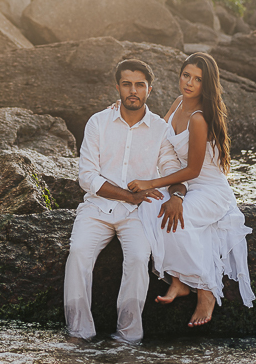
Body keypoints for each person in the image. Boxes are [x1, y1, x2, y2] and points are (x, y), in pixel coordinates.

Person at [126, 51, 255, 327]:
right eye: (186, 75)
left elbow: (193, 170)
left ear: (206, 84)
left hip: (208, 189)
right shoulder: (176, 104)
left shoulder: (198, 118)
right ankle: (179, 281)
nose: (189, 83)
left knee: (177, 219)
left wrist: (152, 183)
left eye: (197, 79)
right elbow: (157, 137)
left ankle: (205, 291)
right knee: (150, 207)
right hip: (182, 185)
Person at [63, 58, 188, 344]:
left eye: (140, 85)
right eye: (127, 84)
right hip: (96, 208)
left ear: (150, 89)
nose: (133, 90)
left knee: (137, 258)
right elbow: (87, 177)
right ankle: (79, 332)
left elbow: (171, 168)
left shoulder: (160, 128)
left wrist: (177, 194)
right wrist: (129, 195)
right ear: (117, 86)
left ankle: (128, 336)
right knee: (79, 253)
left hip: (138, 213)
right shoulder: (99, 122)